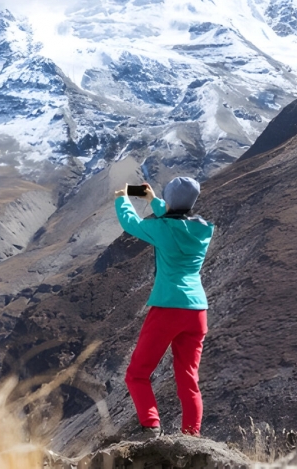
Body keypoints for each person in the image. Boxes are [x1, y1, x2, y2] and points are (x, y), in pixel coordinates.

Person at [113, 177, 215, 439]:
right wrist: (153, 201)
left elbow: (131, 223)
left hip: (167, 309)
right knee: (188, 380)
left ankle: (151, 426)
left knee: (137, 374)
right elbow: (177, 220)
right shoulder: (204, 230)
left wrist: (122, 199)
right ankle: (191, 436)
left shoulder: (161, 229)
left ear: (169, 201)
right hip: (197, 312)